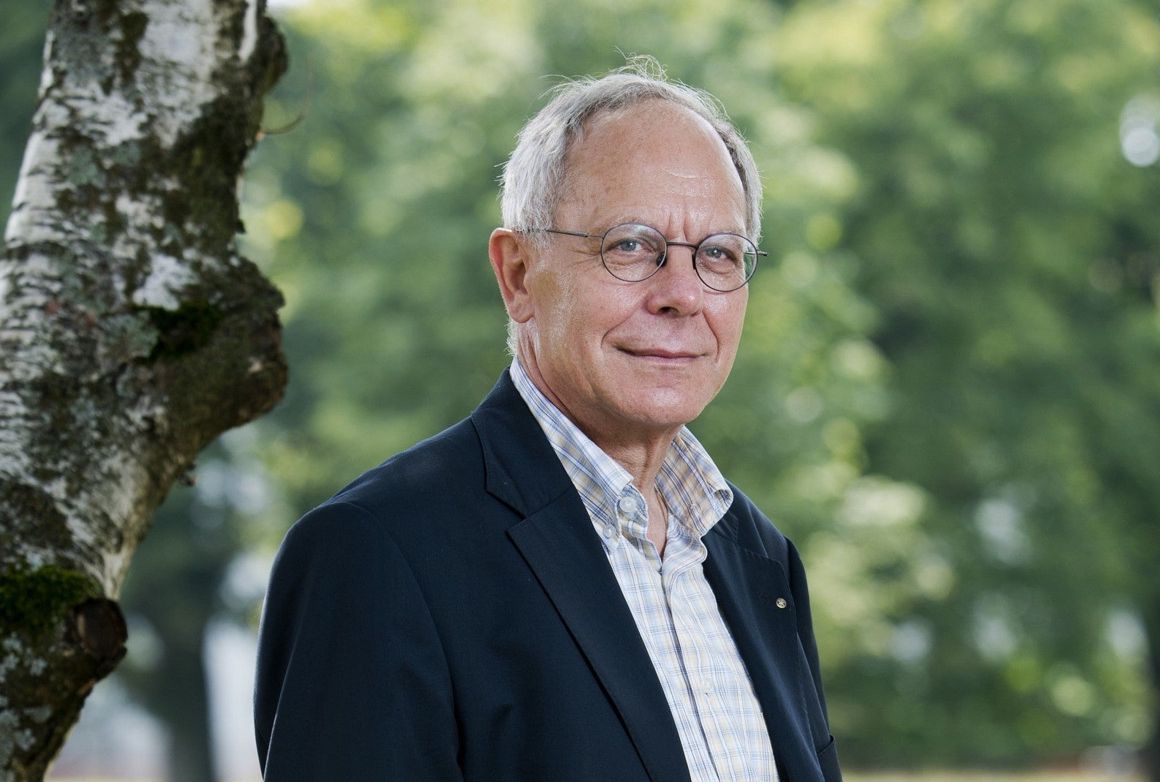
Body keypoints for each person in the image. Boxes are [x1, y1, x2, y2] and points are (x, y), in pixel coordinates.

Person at [253, 58, 841, 782]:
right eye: (630, 245)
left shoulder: (760, 559)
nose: (682, 294)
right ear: (518, 275)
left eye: (717, 254)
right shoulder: (378, 555)